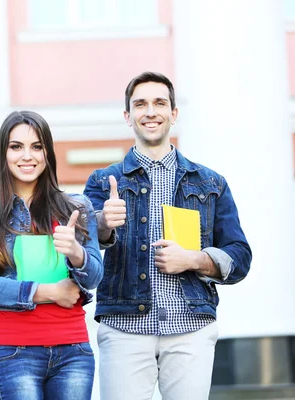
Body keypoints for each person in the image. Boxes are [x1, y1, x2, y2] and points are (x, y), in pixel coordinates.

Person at [84, 71, 252, 400]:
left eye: (160, 103)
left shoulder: (210, 183)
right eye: (140, 104)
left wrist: (195, 259)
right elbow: (81, 252)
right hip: (124, 328)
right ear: (127, 116)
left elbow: (240, 255)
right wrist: (103, 223)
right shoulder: (104, 182)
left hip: (191, 328)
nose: (150, 111)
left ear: (173, 114)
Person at [0, 110, 103, 400]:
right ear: (3, 154)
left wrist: (76, 252)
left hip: (73, 350)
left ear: (47, 153)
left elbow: (94, 278)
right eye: (16, 147)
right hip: (14, 351)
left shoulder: (77, 207)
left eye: (36, 146)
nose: (27, 156)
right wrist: (48, 291)